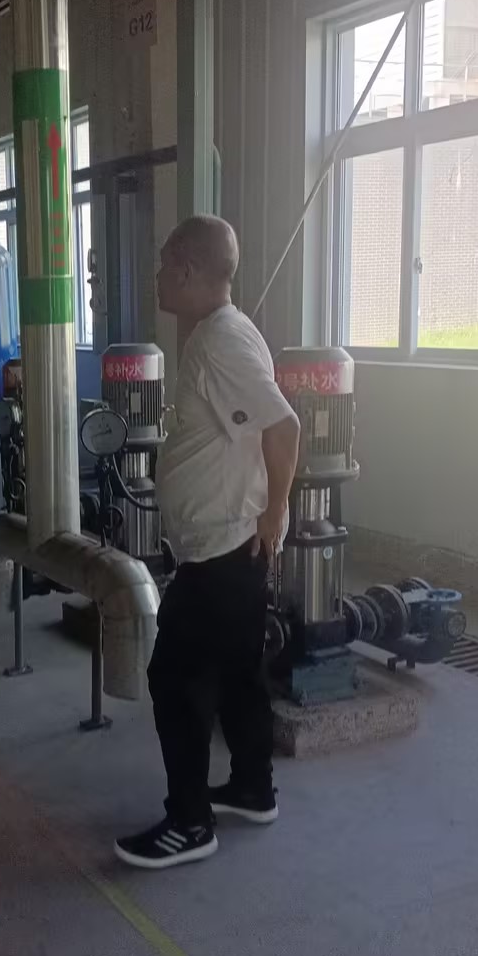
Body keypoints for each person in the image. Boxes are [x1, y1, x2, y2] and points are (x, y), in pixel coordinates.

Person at [115, 214, 300, 871]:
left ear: (189, 269)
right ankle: (252, 787)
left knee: (175, 678)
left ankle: (190, 823)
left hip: (225, 546)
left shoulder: (220, 341)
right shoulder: (221, 333)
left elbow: (284, 426)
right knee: (240, 672)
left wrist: (275, 512)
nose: (158, 276)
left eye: (165, 263)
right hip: (228, 543)